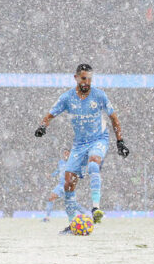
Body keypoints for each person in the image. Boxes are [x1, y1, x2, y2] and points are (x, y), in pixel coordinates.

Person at [35, 63, 129, 232]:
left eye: (90, 79)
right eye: (84, 78)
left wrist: (120, 141)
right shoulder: (67, 98)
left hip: (99, 139)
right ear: (76, 78)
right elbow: (50, 115)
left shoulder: (99, 96)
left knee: (94, 162)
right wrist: (43, 126)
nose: (87, 82)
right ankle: (72, 224)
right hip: (79, 144)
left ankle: (95, 208)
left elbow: (114, 118)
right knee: (68, 182)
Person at [42, 149, 80, 222]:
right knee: (51, 198)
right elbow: (58, 171)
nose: (65, 154)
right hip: (60, 185)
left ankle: (86, 214)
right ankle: (47, 217)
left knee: (73, 203)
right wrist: (51, 175)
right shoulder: (61, 162)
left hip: (68, 185)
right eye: (64, 153)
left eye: (67, 153)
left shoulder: (73, 162)